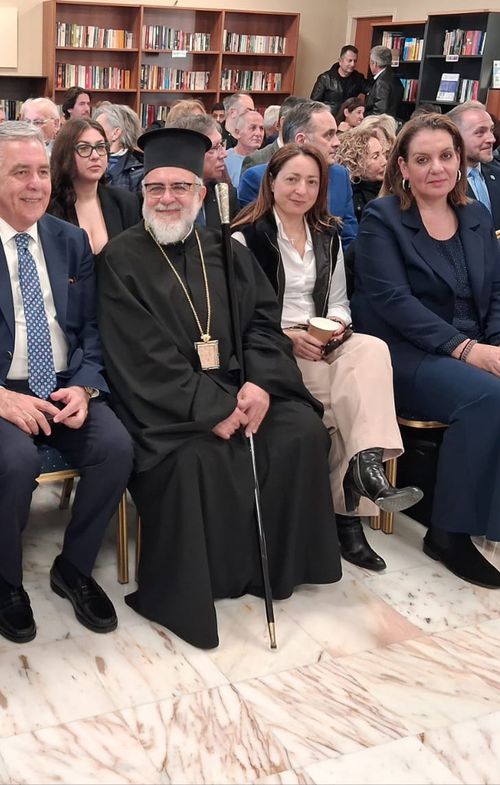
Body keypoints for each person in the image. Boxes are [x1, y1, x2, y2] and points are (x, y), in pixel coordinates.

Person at [96, 126, 342, 649]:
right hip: (166, 406)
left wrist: (259, 385)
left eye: (179, 187)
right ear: (142, 193)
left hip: (239, 385)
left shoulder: (227, 252)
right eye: (156, 188)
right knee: (198, 458)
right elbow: (138, 354)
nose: (167, 198)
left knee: (300, 431)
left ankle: (275, 570)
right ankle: (204, 583)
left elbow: (262, 325)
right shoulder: (120, 258)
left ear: (200, 192)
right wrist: (211, 407)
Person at [352, 113, 500, 589]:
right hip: (407, 354)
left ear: (459, 161)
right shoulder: (382, 219)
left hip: (477, 347)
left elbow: (499, 290)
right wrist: (468, 350)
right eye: (422, 159)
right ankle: (449, 533)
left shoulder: (475, 215)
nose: (436, 168)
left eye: (446, 156)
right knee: (486, 396)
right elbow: (394, 304)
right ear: (403, 167)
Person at [0, 121, 134, 646]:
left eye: (42, 172)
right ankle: (4, 580)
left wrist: (85, 385)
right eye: (20, 173)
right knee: (16, 461)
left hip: (64, 383)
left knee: (116, 448)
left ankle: (74, 567)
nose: (36, 184)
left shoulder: (70, 240)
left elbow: (91, 326)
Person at [232, 143, 422, 571]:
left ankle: (365, 467)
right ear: (272, 182)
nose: (301, 190)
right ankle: (349, 516)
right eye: (292, 180)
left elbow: (339, 301)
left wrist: (336, 324)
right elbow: (239, 315)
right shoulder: (246, 237)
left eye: (312, 182)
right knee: (340, 402)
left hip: (324, 339)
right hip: (274, 347)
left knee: (372, 348)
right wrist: (288, 337)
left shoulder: (327, 234)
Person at [239, 101, 359, 249]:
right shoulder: (257, 178)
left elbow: (349, 237)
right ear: (301, 140)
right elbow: (256, 242)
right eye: (328, 135)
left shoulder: (340, 176)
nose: (337, 143)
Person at [48, 118, 141, 254]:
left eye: (100, 147)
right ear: (65, 154)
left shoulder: (125, 202)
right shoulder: (49, 205)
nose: (95, 156)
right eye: (84, 148)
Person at [446, 101, 500, 230]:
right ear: (455, 138)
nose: (492, 139)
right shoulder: (442, 183)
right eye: (480, 132)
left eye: (491, 130)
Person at [168, 113, 240, 228]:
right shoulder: (161, 198)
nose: (224, 154)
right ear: (187, 153)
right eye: (215, 148)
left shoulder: (225, 196)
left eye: (222, 145)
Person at [242, 96, 308, 173]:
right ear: (283, 122)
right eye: (304, 124)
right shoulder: (257, 161)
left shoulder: (311, 159)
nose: (308, 130)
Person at [336, 124, 387, 221]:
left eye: (383, 153)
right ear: (355, 166)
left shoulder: (393, 187)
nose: (384, 161)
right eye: (375, 157)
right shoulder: (354, 202)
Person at [94, 103, 144, 194]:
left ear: (115, 133)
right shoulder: (88, 160)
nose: (92, 132)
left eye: (98, 128)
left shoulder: (138, 173)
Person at [311, 45, 367, 117]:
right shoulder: (325, 78)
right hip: (329, 119)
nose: (352, 64)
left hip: (347, 120)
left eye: (355, 61)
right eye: (349, 61)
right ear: (340, 61)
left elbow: (371, 91)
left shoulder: (358, 78)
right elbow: (314, 104)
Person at [365, 45, 404, 122]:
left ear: (374, 64)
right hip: (392, 122)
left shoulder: (381, 83)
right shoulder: (395, 78)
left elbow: (379, 112)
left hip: (380, 124)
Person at [224, 109, 264, 184]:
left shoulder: (267, 159)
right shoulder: (224, 159)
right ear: (237, 133)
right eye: (252, 128)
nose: (258, 133)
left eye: (261, 128)